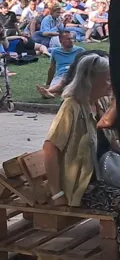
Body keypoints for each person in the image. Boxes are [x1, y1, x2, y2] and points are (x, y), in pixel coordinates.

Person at [42, 54, 114, 221]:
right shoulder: (71, 106)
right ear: (91, 79)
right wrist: (57, 193)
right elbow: (49, 148)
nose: (111, 83)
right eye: (108, 79)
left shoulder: (101, 101)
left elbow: (113, 142)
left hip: (107, 176)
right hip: (84, 187)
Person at [37, 31, 85, 99]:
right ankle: (51, 93)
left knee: (63, 85)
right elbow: (52, 68)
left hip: (75, 74)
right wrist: (48, 82)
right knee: (58, 85)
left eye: (71, 38)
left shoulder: (80, 51)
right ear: (60, 41)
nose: (71, 41)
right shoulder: (55, 52)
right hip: (61, 75)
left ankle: (49, 92)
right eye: (68, 39)